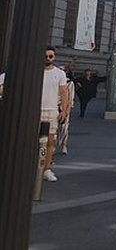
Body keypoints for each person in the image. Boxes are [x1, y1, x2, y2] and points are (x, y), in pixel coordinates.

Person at [42, 46, 70, 182]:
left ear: (54, 57)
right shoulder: (34, 72)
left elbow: (64, 92)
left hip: (51, 110)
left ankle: (46, 169)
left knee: (50, 141)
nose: (48, 58)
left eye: (50, 56)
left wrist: (64, 110)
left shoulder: (59, 73)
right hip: (35, 110)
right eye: (46, 56)